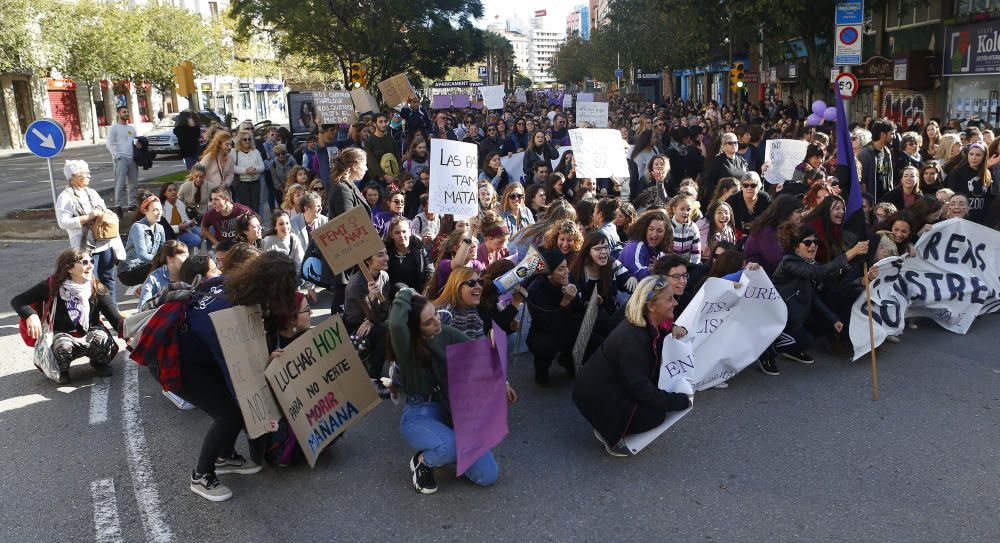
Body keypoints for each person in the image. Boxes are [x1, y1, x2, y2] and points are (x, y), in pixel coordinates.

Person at [174, 251, 297, 501]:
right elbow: (237, 375)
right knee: (227, 415)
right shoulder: (229, 312)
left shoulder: (232, 286)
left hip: (196, 355)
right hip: (181, 362)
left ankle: (225, 456)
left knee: (231, 411)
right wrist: (261, 416)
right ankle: (202, 475)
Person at [572, 275, 692, 457]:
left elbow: (663, 336)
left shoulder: (644, 323)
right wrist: (679, 401)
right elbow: (640, 388)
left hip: (600, 387)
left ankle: (606, 422)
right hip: (595, 396)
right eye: (669, 299)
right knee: (656, 416)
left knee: (653, 401)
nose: (675, 303)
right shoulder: (633, 338)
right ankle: (609, 433)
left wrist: (675, 328)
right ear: (651, 306)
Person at [765, 223, 870, 375]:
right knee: (802, 340)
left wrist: (833, 319)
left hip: (796, 316)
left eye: (816, 242)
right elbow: (819, 272)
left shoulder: (809, 263)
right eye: (807, 242)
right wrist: (852, 252)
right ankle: (768, 352)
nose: (813, 246)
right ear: (795, 246)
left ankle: (791, 348)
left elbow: (813, 297)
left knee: (813, 335)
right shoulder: (789, 263)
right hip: (780, 317)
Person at [13, 247, 123, 385]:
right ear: (69, 268)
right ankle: (61, 369)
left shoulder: (96, 286)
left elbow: (115, 319)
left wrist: (133, 336)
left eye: (91, 261)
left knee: (102, 340)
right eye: (84, 262)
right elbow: (18, 301)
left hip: (90, 330)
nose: (91, 266)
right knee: (63, 345)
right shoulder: (52, 285)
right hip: (63, 334)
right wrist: (31, 315)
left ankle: (98, 362)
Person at [55, 160, 124, 299]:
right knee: (89, 281)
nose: (89, 176)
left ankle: (113, 310)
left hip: (105, 241)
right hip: (84, 247)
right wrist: (88, 217)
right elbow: (63, 223)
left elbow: (102, 208)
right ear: (73, 176)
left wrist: (105, 213)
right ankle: (94, 315)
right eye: (85, 173)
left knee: (108, 277)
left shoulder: (91, 192)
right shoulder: (65, 197)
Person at [526, 248, 586, 385]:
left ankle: (568, 360)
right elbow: (547, 323)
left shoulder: (568, 278)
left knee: (590, 332)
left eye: (566, 267)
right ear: (549, 274)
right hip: (543, 333)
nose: (567, 272)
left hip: (568, 326)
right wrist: (565, 302)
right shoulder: (536, 290)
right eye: (561, 269)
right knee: (545, 345)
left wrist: (578, 299)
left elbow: (579, 309)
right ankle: (541, 370)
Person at [344, 247, 391, 380]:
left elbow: (385, 310)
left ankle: (373, 373)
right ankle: (373, 377)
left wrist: (373, 320)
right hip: (354, 326)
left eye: (386, 253)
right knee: (386, 330)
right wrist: (372, 298)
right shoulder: (356, 284)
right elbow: (373, 316)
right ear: (368, 261)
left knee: (386, 329)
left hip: (372, 319)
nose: (386, 258)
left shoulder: (384, 276)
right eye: (380, 255)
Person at [743, 194, 804, 276]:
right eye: (798, 211)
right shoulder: (766, 231)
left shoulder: (782, 229)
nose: (802, 215)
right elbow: (778, 259)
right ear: (786, 212)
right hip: (762, 281)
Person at [119, 195, 166, 286]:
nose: (159, 213)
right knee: (165, 267)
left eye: (160, 209)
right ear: (145, 211)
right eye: (155, 210)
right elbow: (142, 256)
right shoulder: (138, 227)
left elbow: (162, 251)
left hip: (147, 265)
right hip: (129, 269)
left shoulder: (160, 228)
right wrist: (163, 260)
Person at [946, 141, 996, 224]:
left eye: (978, 155)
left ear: (984, 157)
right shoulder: (957, 172)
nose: (974, 158)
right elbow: (951, 195)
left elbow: (989, 198)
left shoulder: (987, 173)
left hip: (981, 220)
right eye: (971, 154)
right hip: (962, 219)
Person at [386, 216, 434, 294]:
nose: (401, 235)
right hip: (393, 295)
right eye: (397, 233)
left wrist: (426, 290)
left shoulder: (420, 250)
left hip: (418, 294)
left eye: (404, 231)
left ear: (409, 232)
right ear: (391, 235)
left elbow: (430, 272)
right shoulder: (386, 252)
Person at [620, 209, 673, 279]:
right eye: (651, 229)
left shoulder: (659, 249)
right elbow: (636, 273)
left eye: (659, 231)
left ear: (666, 233)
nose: (654, 234)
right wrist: (652, 269)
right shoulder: (635, 245)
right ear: (644, 229)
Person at [137, 240, 189, 310]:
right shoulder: (153, 279)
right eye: (183, 256)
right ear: (170, 258)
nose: (188, 259)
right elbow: (142, 310)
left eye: (188, 256)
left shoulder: (191, 274)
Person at [702, 132, 748, 208]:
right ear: (723, 146)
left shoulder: (741, 160)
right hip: (724, 200)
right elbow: (709, 180)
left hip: (740, 199)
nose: (734, 145)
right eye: (730, 143)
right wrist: (715, 198)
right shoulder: (718, 160)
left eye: (736, 142)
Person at [106, 105, 139, 211]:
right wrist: (117, 156)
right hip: (121, 159)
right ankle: (118, 205)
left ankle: (132, 204)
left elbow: (135, 141)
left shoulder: (131, 128)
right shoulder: (114, 128)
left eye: (127, 112)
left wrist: (139, 146)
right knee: (120, 183)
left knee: (133, 183)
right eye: (124, 112)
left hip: (132, 159)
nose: (126, 114)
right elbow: (109, 144)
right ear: (118, 114)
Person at [858, 118, 895, 200]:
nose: (894, 136)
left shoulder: (887, 152)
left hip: (885, 201)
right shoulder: (865, 154)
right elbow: (861, 182)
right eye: (892, 134)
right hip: (873, 203)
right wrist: (868, 202)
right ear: (883, 135)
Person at [726, 171, 772, 236]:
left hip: (760, 234)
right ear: (741, 187)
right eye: (746, 185)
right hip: (737, 235)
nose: (749, 188)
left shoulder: (764, 198)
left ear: (759, 186)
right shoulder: (733, 199)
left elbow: (770, 219)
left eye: (753, 185)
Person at [229, 130, 264, 214]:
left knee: (256, 206)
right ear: (240, 140)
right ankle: (246, 225)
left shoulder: (255, 151)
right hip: (242, 183)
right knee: (245, 207)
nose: (247, 141)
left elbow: (262, 167)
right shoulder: (234, 152)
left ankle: (256, 224)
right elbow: (231, 167)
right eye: (245, 139)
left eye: (249, 139)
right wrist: (245, 170)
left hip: (255, 182)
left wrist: (255, 169)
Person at [160, 181, 202, 250]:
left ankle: (200, 251)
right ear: (164, 193)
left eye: (174, 190)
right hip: (170, 235)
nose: (173, 192)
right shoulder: (162, 207)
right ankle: (181, 251)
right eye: (170, 190)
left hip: (183, 230)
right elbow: (165, 228)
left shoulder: (179, 203)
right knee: (196, 239)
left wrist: (190, 222)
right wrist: (178, 227)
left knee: (202, 232)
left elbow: (184, 218)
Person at [669, 195, 701, 264]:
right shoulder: (668, 226)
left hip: (687, 264)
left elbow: (696, 250)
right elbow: (664, 251)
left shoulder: (693, 227)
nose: (686, 212)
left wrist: (694, 266)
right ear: (674, 209)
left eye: (688, 209)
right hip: (670, 264)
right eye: (682, 209)